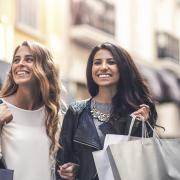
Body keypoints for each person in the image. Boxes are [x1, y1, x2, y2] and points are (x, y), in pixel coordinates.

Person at [56, 42, 157, 180]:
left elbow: (144, 165)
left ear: (122, 68)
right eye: (97, 63)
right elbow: (61, 163)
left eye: (111, 62)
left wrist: (141, 126)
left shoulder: (138, 113)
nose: (103, 67)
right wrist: (71, 170)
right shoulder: (76, 112)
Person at [0, 40, 61, 180]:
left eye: (29, 59)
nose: (20, 64)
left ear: (45, 67)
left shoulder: (53, 114)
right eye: (16, 60)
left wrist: (70, 169)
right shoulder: (1, 108)